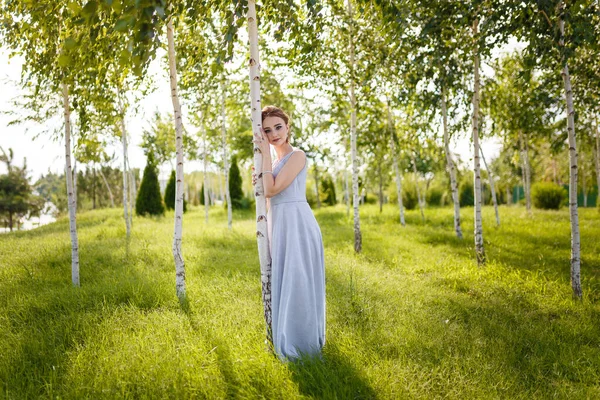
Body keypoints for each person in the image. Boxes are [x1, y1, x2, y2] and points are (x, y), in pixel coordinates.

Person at [252, 105, 325, 360]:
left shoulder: (297, 156)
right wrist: (263, 167)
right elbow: (266, 196)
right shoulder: (271, 162)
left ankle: (302, 344)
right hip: (278, 223)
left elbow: (272, 190)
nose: (274, 134)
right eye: (267, 130)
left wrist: (262, 160)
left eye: (278, 127)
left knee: (298, 282)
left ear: (288, 127)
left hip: (297, 223)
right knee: (282, 279)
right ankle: (282, 334)